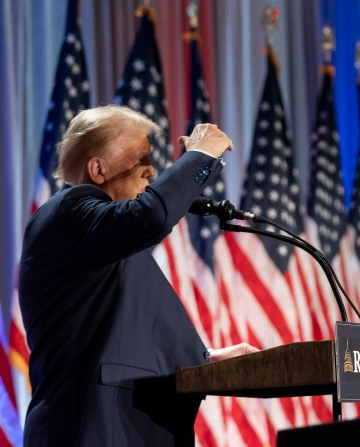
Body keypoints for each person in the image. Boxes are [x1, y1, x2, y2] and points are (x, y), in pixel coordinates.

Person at [18, 106, 258, 446]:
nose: (152, 170)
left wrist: (204, 360)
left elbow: (125, 333)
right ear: (98, 168)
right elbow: (150, 217)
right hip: (89, 427)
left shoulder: (101, 245)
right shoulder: (68, 212)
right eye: (140, 159)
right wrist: (202, 154)